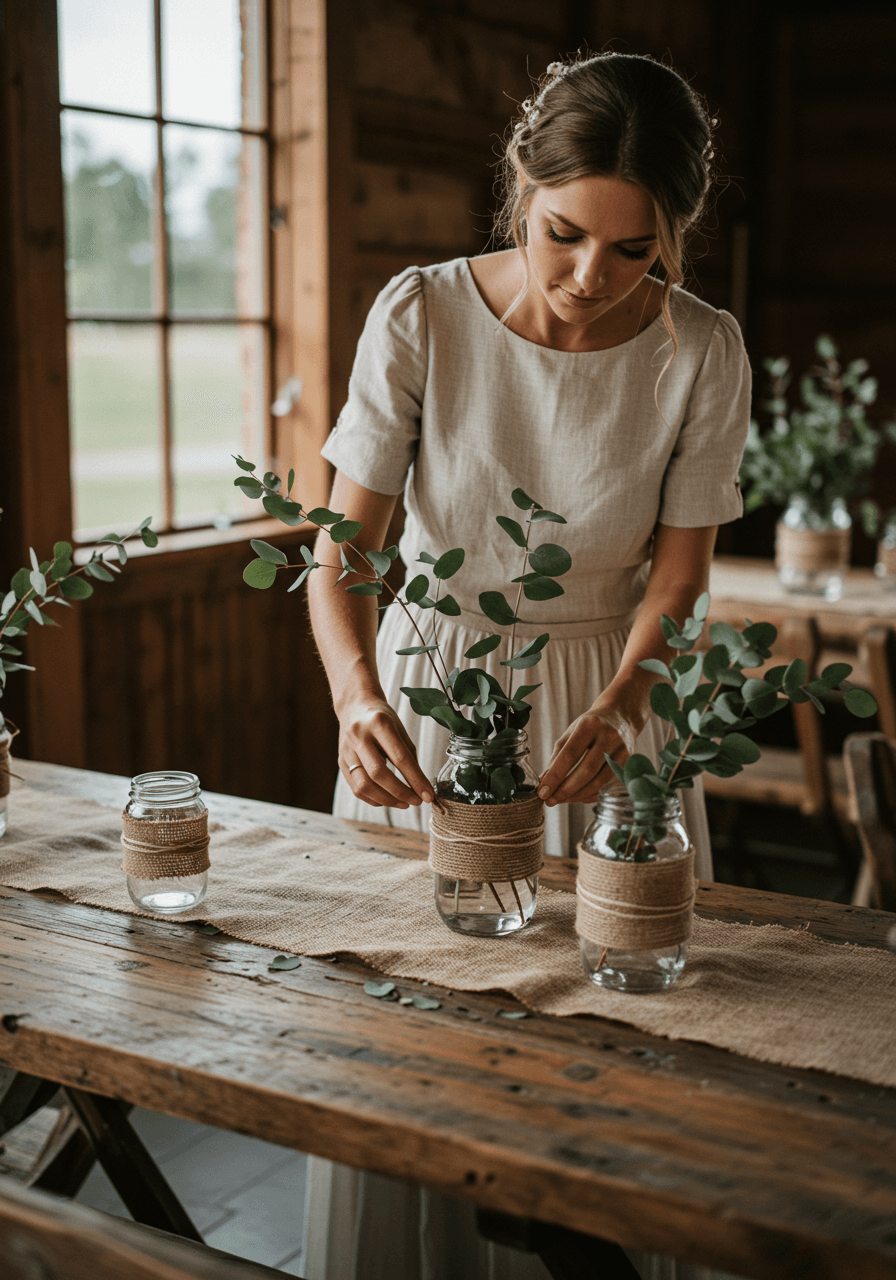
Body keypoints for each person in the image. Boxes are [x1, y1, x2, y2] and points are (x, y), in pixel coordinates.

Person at [303, 51, 751, 1280]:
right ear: (519, 185)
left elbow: (677, 576)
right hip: (435, 694)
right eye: (564, 236)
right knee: (416, 1028)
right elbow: (340, 555)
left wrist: (625, 695)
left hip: (612, 708)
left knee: (617, 1037)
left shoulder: (702, 351)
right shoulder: (421, 313)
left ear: (675, 238)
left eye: (633, 252)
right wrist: (355, 697)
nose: (590, 280)